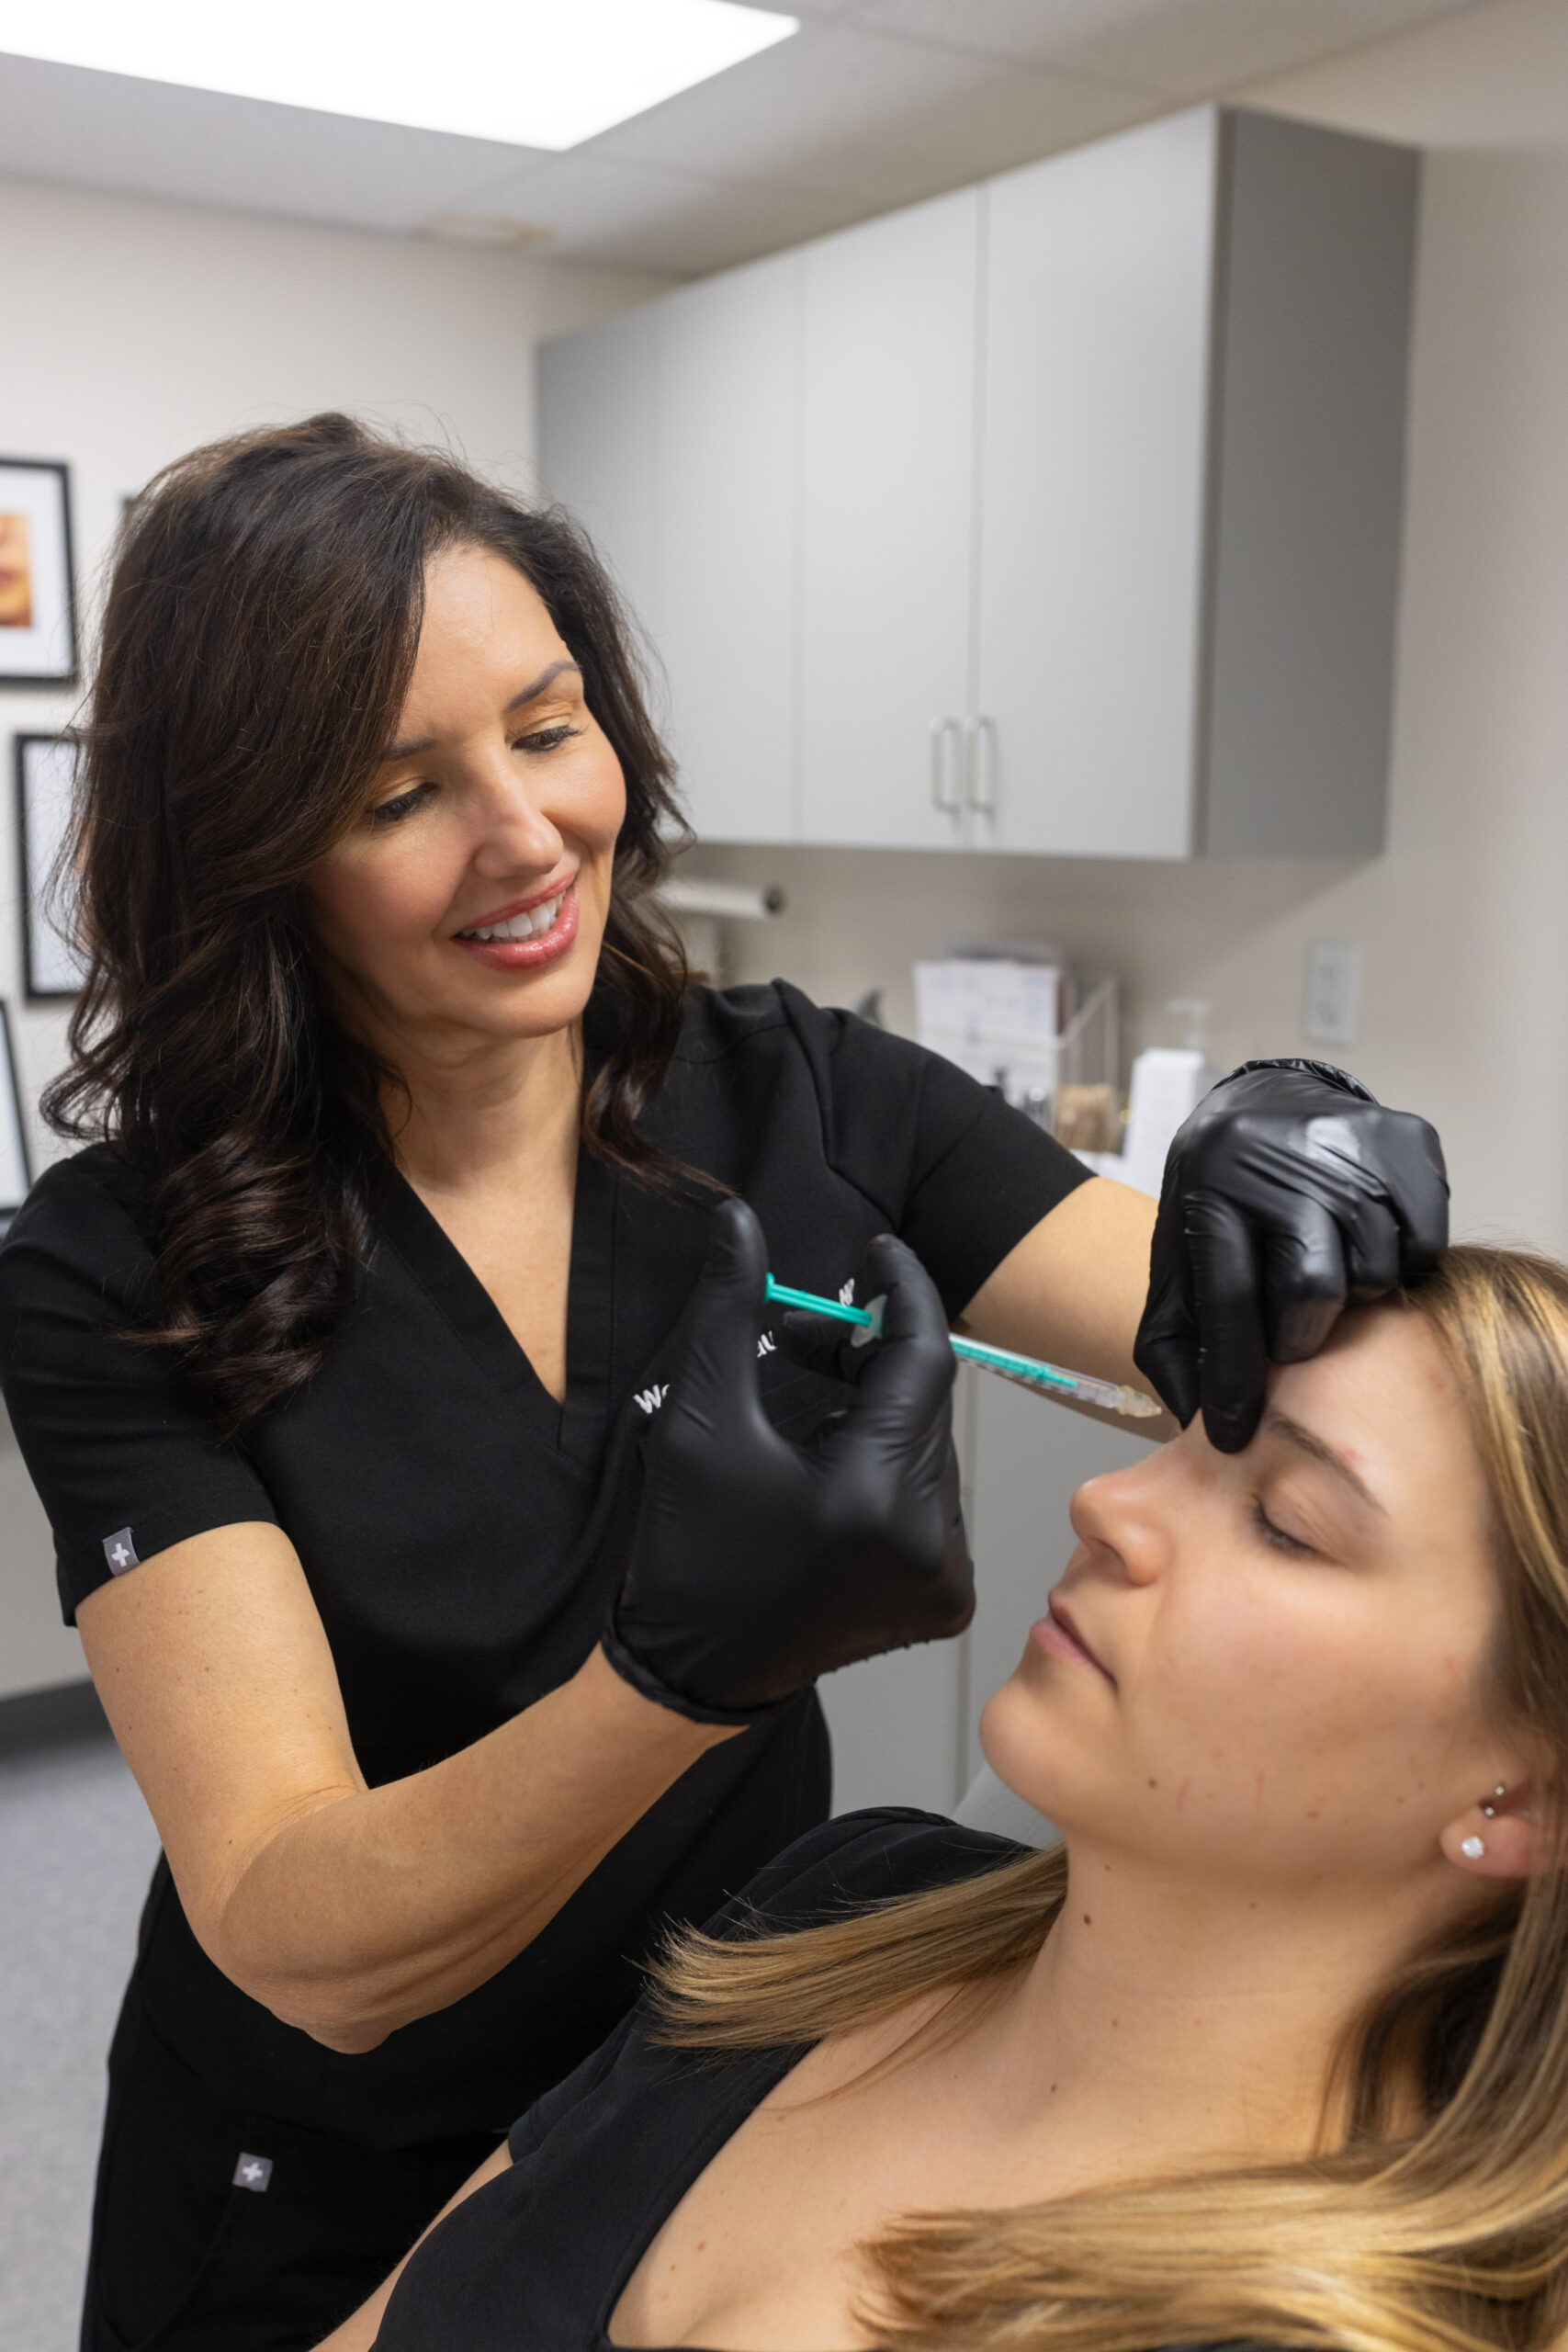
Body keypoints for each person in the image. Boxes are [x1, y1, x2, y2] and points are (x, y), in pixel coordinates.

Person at [0, 414, 1446, 2352]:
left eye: (546, 724)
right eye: (396, 790)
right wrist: (680, 1680)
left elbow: (1288, 1350)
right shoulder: (118, 1262)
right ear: (255, 854)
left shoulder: (805, 1094)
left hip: (721, 2062)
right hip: (327, 2160)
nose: (523, 835)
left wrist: (1300, 1169)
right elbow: (293, 1922)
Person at [321, 1241, 1568, 2352]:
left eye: (1287, 1524)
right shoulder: (845, 1904)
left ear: (1525, 1804)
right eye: (1183, 1441)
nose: (1108, 1504)